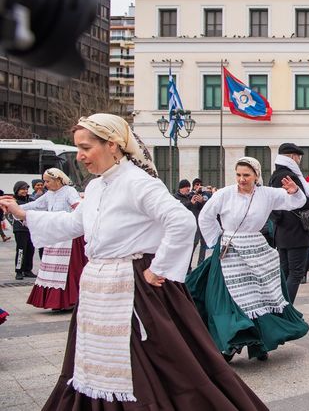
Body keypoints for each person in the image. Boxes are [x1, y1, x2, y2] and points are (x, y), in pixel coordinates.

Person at [0, 113, 267, 409]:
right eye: (78, 148)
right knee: (95, 360)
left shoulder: (138, 182)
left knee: (155, 363)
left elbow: (180, 221)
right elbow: (75, 223)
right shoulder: (97, 186)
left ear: (113, 145)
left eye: (86, 147)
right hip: (100, 289)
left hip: (135, 288)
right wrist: (25, 214)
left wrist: (159, 269)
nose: (80, 156)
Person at [187, 157, 309, 362]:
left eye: (246, 175)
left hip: (256, 247)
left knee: (259, 296)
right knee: (230, 297)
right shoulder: (226, 193)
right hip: (231, 250)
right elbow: (206, 216)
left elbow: (297, 203)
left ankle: (260, 342)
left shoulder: (267, 194)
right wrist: (218, 240)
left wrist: (295, 191)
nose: (242, 179)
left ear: (256, 176)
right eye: (238, 175)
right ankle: (230, 343)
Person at [21, 168, 87, 310]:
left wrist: (74, 214)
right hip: (54, 235)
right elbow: (35, 205)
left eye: (47, 181)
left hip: (69, 236)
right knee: (52, 269)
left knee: (69, 269)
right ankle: (56, 301)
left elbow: (79, 206)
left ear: (58, 179)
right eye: (44, 181)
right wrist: (16, 208)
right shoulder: (49, 194)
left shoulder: (69, 191)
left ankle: (69, 300)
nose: (45, 184)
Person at [268, 143, 309, 302]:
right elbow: (301, 202)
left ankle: (280, 306)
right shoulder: (288, 176)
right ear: (292, 156)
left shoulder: (275, 175)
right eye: (298, 157)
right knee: (296, 272)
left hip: (283, 231)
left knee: (285, 271)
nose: (299, 160)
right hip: (295, 231)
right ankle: (286, 310)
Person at [11, 181, 36, 280]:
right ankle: (19, 271)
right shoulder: (14, 202)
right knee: (21, 250)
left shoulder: (30, 200)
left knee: (30, 249)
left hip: (31, 229)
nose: (25, 191)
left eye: (26, 189)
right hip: (20, 229)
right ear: (17, 190)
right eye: (22, 189)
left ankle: (27, 270)